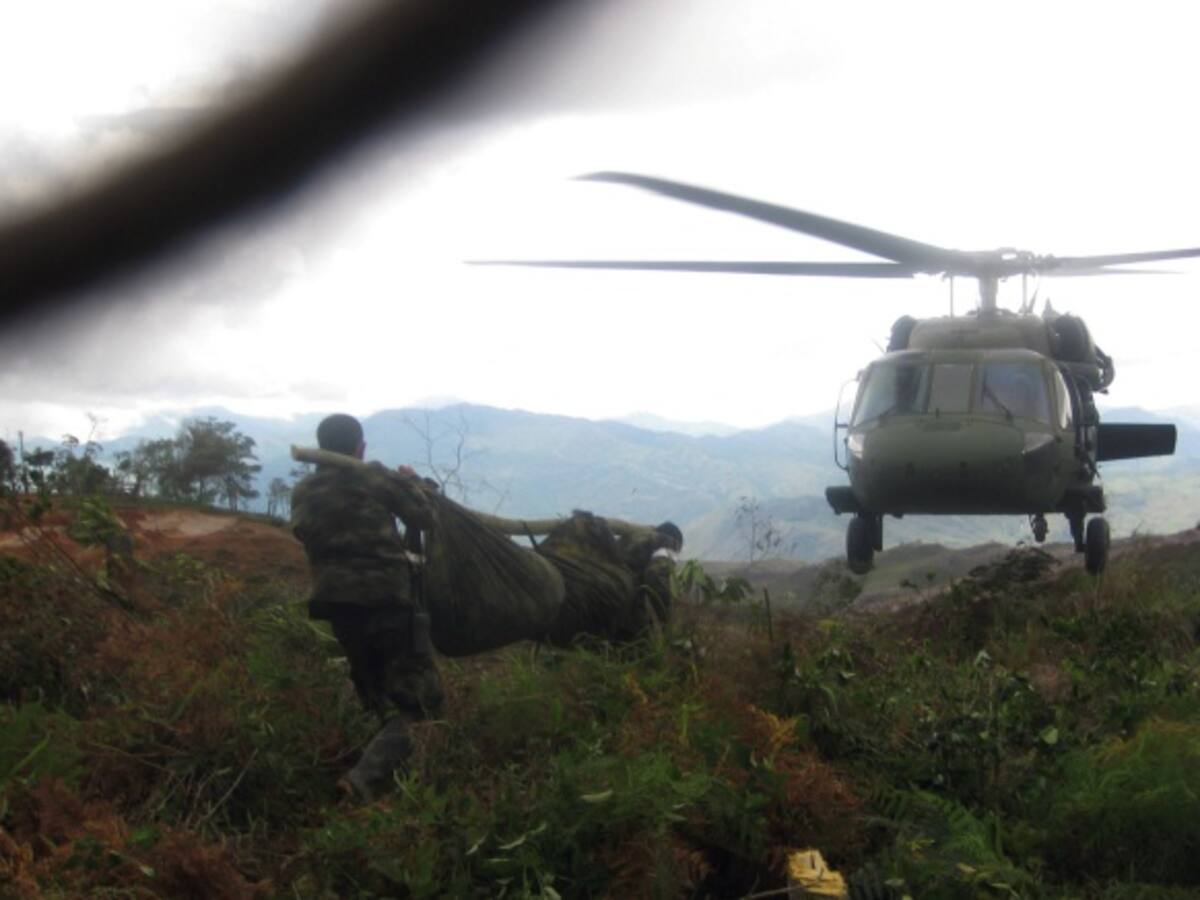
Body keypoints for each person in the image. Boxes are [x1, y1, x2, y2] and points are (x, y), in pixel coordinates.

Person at [290, 413, 442, 801]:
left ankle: (386, 782)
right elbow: (425, 516)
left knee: (374, 692)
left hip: (337, 604)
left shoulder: (305, 491)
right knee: (419, 703)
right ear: (360, 447)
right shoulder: (373, 477)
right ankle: (362, 783)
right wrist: (412, 483)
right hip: (388, 601)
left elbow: (303, 532)